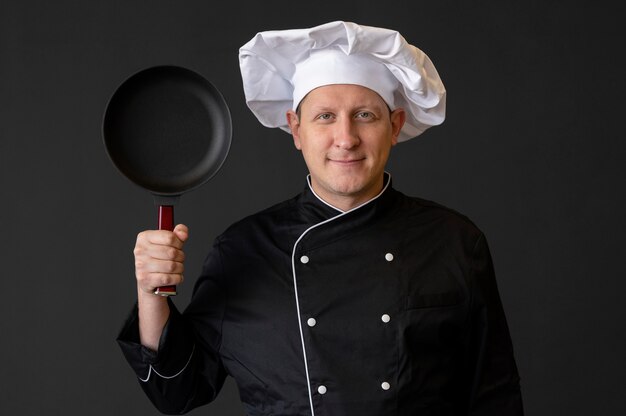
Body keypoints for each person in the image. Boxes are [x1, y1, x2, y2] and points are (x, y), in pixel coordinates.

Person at [117, 21, 524, 416]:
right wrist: (150, 291)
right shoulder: (244, 249)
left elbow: (495, 395)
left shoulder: (454, 241)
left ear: (395, 126)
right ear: (296, 130)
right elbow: (175, 391)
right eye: (325, 117)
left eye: (365, 115)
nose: (345, 138)